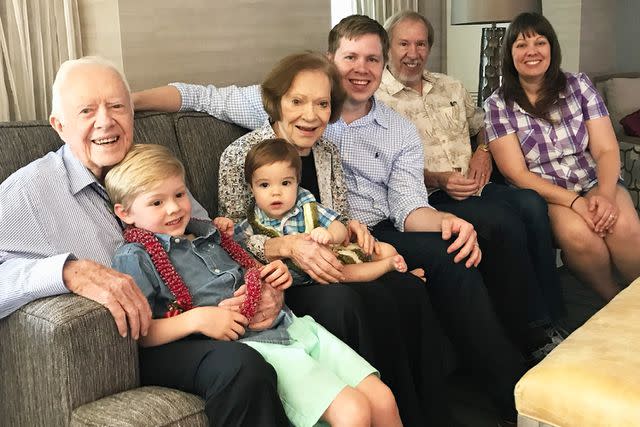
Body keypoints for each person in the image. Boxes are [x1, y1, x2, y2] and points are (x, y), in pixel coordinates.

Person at [133, 20, 527, 425]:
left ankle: (424, 414)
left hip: (328, 261)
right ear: (277, 103)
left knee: (406, 289)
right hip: (280, 277)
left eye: (322, 105)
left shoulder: (327, 152)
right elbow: (230, 239)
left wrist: (356, 234)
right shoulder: (242, 155)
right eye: (298, 103)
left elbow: (335, 217)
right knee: (348, 303)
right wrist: (289, 247)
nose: (311, 115)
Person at [0, 56, 289, 426]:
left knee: (335, 307)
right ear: (59, 125)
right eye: (87, 110)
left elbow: (207, 241)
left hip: (209, 315)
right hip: (142, 342)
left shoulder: (149, 165)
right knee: (240, 367)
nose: (105, 121)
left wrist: (263, 285)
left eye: (117, 106)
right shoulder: (30, 192)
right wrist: (67, 271)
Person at [106, 143, 401, 427]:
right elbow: (141, 336)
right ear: (125, 213)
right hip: (257, 344)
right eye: (157, 202)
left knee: (382, 398)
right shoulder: (136, 256)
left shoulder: (210, 235)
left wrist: (276, 278)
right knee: (353, 412)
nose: (173, 208)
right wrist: (197, 319)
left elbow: (253, 272)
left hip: (294, 325)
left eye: (179, 194)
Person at [376, 11, 566, 349]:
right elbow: (385, 169)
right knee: (503, 222)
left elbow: (483, 127)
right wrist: (438, 178)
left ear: (429, 48)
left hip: (475, 186)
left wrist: (483, 152)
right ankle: (531, 331)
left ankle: (553, 315)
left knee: (533, 204)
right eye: (403, 43)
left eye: (421, 44)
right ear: (388, 47)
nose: (413, 53)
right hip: (429, 198)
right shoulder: (377, 99)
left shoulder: (450, 86)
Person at [484, 12, 640, 302]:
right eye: (520, 45)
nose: (531, 51)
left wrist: (605, 195)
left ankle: (637, 301)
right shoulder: (497, 105)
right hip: (548, 193)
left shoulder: (579, 86)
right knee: (581, 238)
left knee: (624, 226)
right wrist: (575, 203)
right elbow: (517, 173)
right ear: (509, 53)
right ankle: (614, 301)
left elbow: (606, 149)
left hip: (594, 180)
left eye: (540, 42)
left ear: (552, 48)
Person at [238, 137, 415, 283]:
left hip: (336, 253)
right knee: (341, 274)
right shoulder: (253, 221)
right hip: (315, 273)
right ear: (251, 188)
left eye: (285, 183)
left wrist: (329, 235)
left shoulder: (306, 208)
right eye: (264, 185)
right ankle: (388, 268)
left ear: (297, 183)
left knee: (385, 250)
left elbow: (339, 226)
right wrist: (224, 226)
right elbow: (237, 244)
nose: (276, 192)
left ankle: (401, 271)